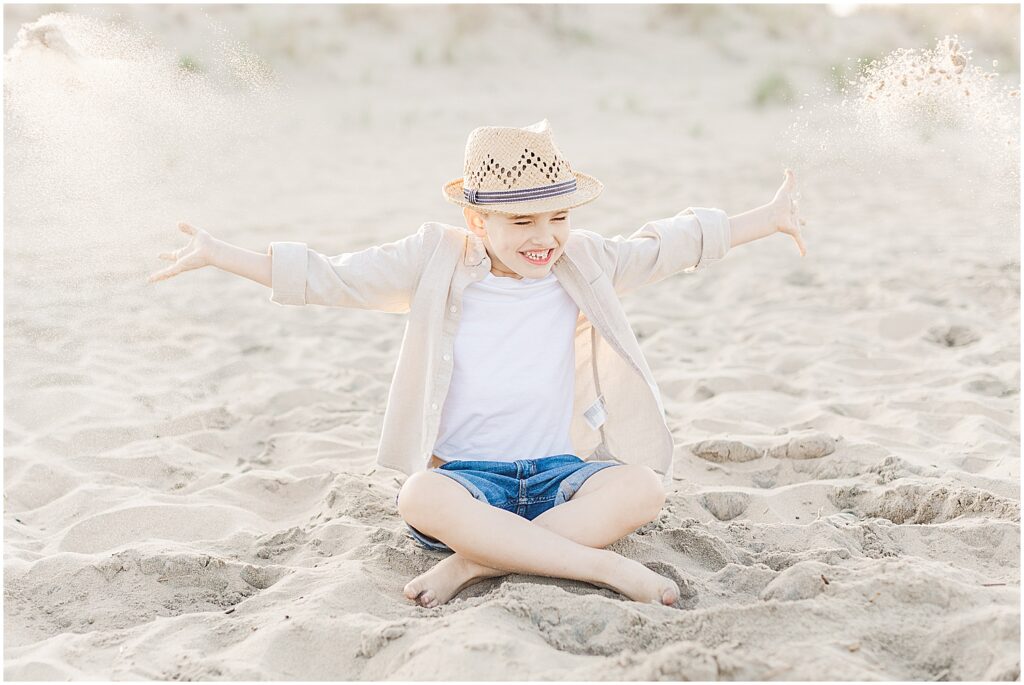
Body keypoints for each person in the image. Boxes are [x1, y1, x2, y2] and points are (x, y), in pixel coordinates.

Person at [149, 119, 806, 609]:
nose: (544, 237)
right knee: (417, 493)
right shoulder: (432, 260)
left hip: (559, 474)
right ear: (476, 219)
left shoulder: (586, 263)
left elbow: (670, 243)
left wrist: (767, 218)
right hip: (468, 481)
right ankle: (604, 570)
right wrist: (222, 253)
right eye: (522, 222)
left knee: (644, 486)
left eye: (557, 217)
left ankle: (469, 565)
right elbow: (332, 276)